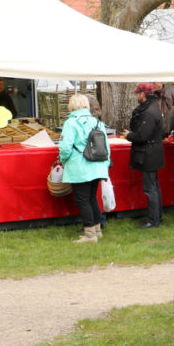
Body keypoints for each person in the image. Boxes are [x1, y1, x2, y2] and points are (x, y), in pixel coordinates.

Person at [59, 93, 110, 243]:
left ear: (72, 106)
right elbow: (106, 146)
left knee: (82, 200)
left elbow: (65, 148)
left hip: (80, 166)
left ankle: (89, 234)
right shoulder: (97, 122)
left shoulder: (71, 123)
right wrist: (105, 164)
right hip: (98, 165)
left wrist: (63, 160)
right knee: (91, 198)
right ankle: (96, 230)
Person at [121, 83, 164, 229]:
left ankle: (153, 220)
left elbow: (142, 135)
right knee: (154, 187)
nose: (136, 96)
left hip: (149, 153)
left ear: (143, 94)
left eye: (137, 93)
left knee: (150, 188)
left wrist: (128, 135)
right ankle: (157, 217)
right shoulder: (152, 108)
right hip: (152, 151)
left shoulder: (149, 112)